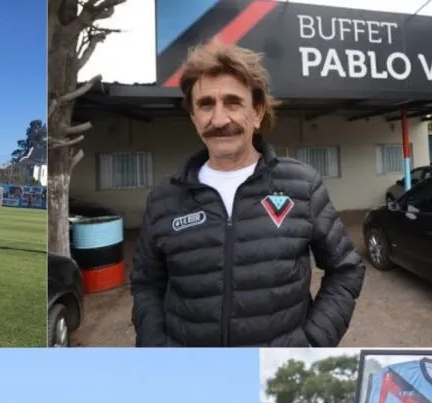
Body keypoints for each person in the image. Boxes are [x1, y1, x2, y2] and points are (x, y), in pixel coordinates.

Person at [130, 41, 365, 347]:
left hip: (276, 376)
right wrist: (157, 348)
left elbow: (345, 269)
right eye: (205, 105)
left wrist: (312, 345)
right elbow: (146, 283)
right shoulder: (164, 198)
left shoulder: (302, 186)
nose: (218, 119)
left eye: (232, 102)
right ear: (193, 118)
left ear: (257, 113)